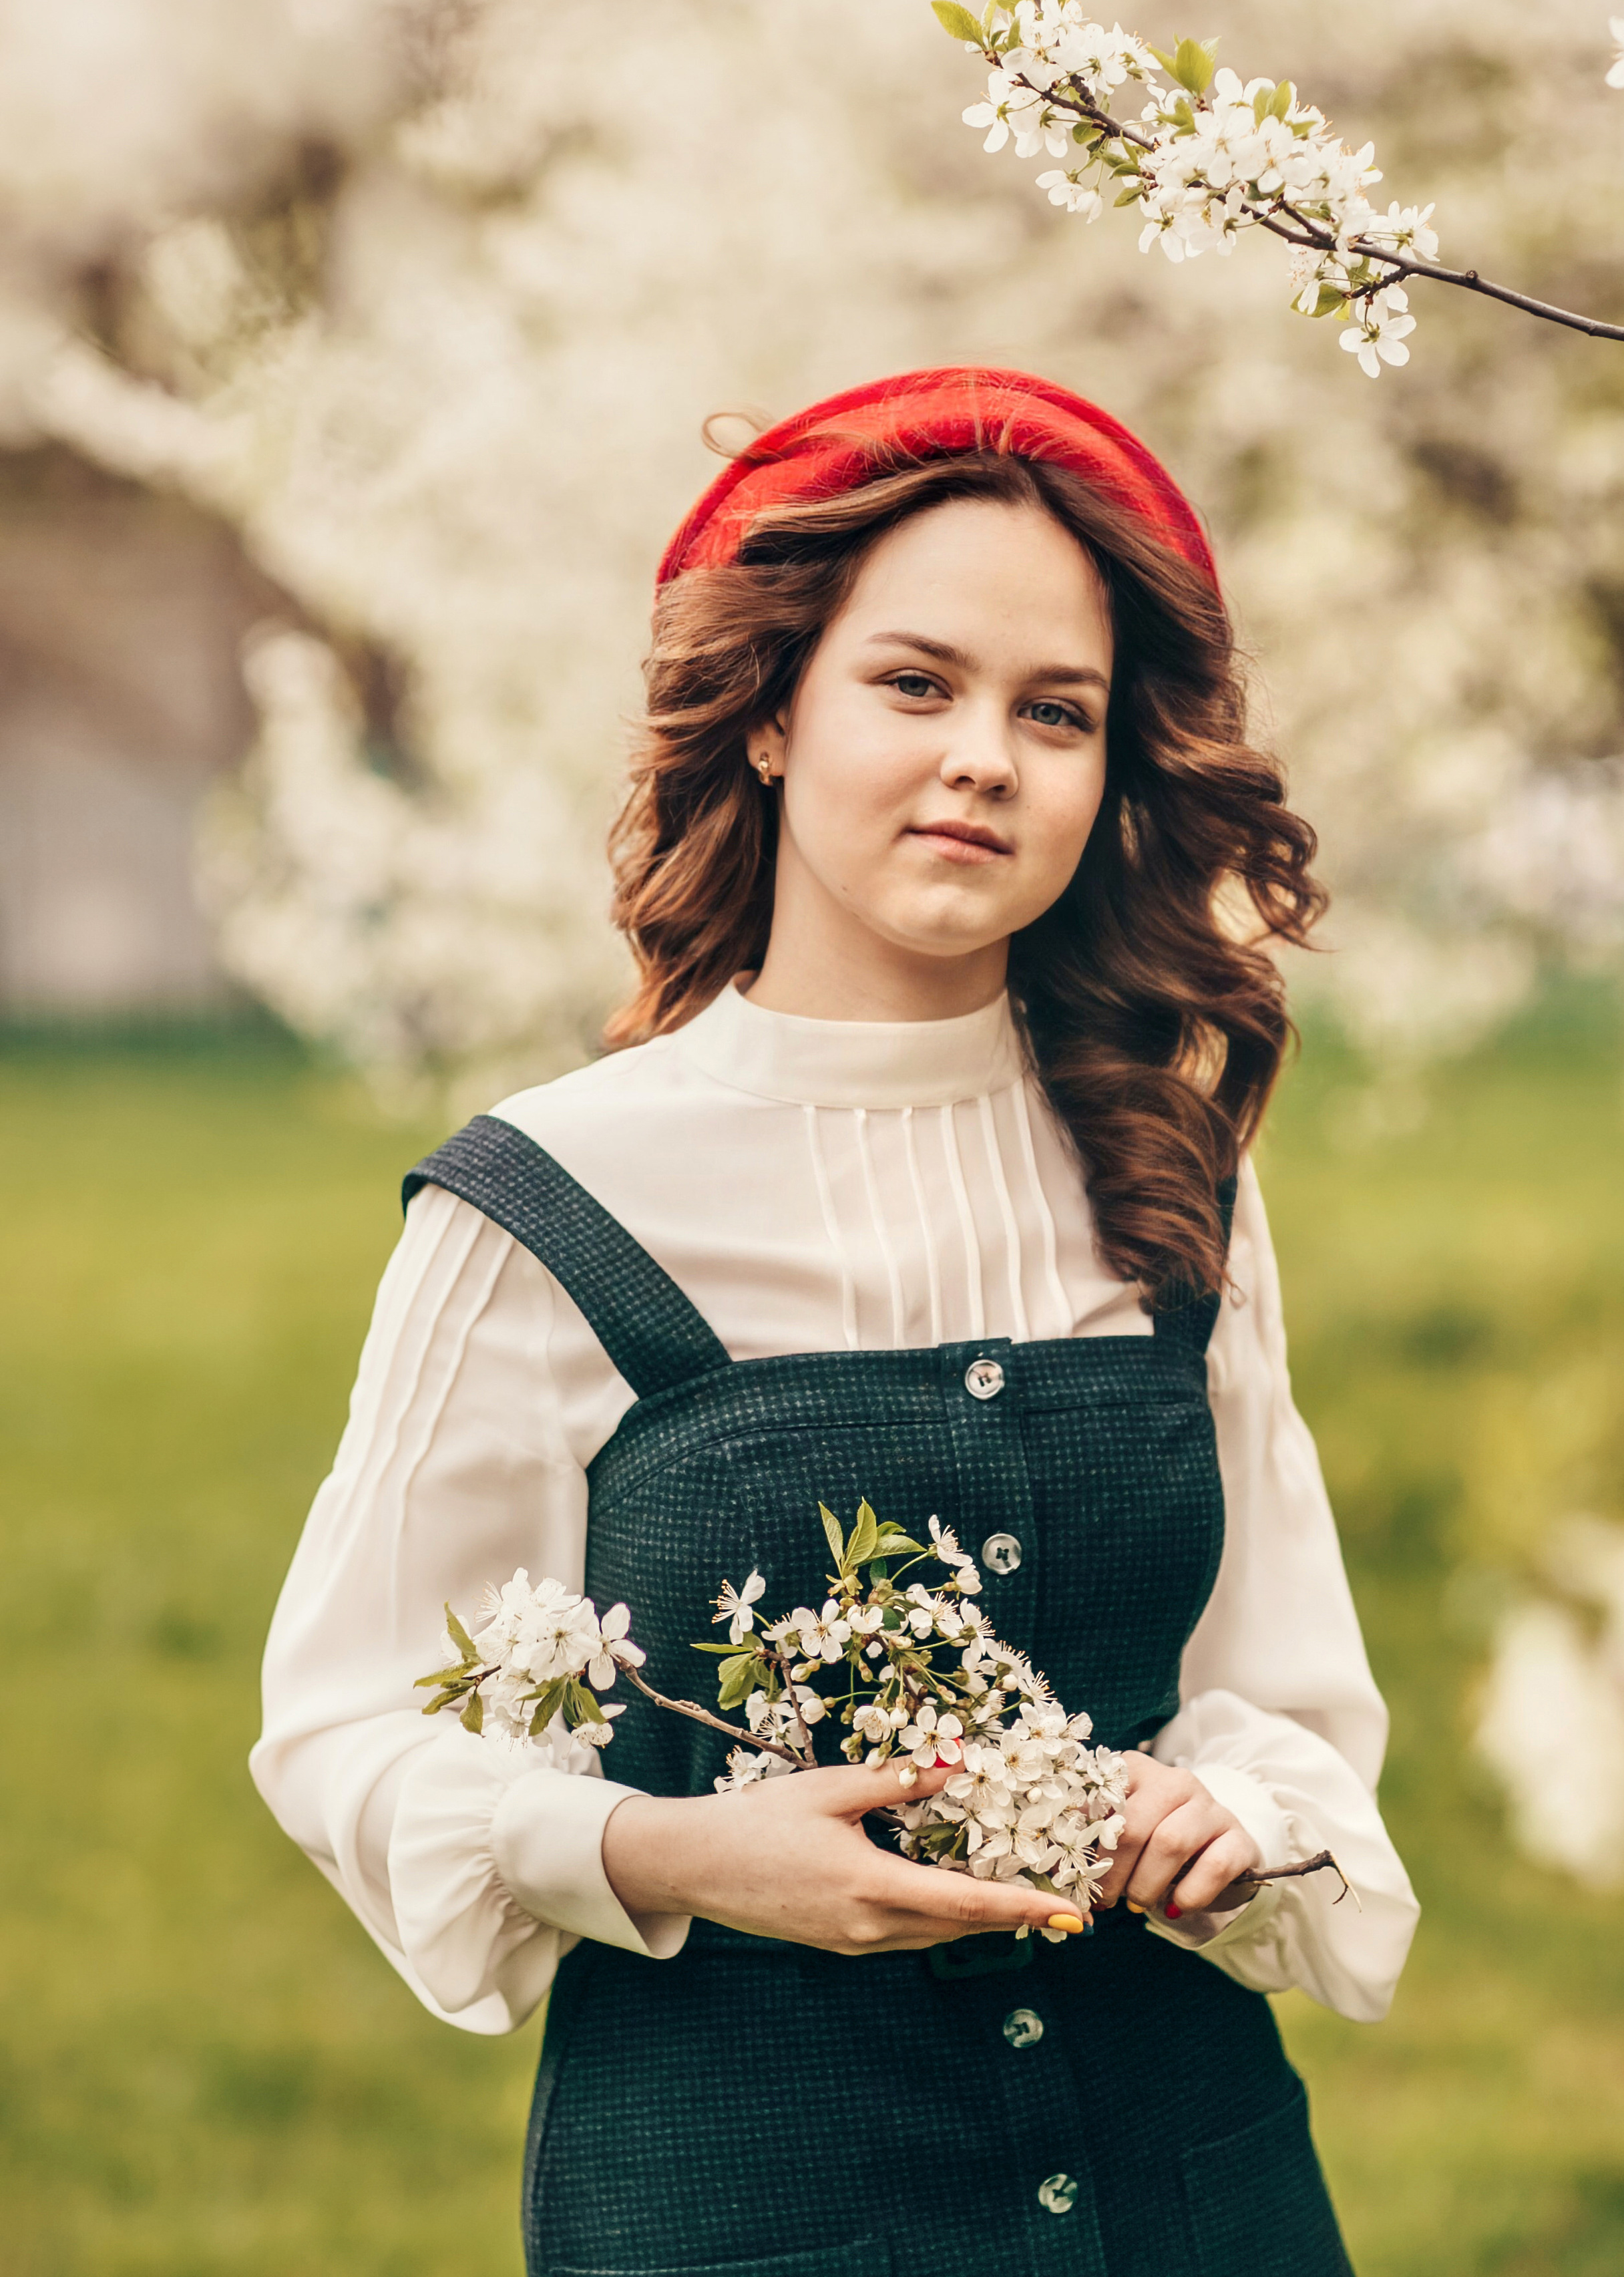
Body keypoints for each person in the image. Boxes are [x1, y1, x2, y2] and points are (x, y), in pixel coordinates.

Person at [252, 367, 1419, 2277]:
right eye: (917, 684)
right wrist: (670, 1852)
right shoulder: (550, 1199)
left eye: (1057, 714)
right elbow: (343, 1729)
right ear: (777, 715)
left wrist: (1230, 1824)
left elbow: (1287, 1701)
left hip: (1195, 2201)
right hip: (746, 2212)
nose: (985, 758)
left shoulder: (1171, 1171)